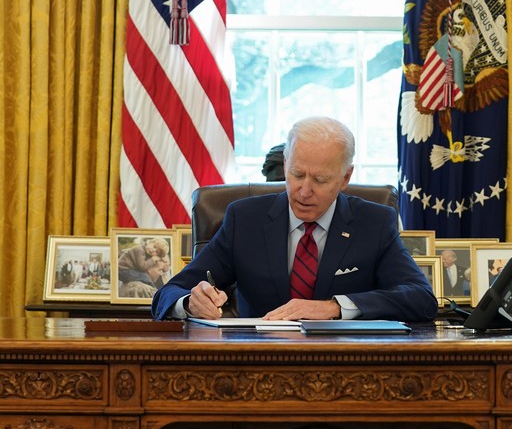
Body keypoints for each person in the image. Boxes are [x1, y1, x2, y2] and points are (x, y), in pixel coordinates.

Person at [151, 116, 438, 322]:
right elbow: (167, 294)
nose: (304, 190)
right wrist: (190, 302)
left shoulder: (373, 223)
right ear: (286, 163)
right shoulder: (244, 220)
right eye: (297, 174)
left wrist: (335, 307)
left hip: (345, 364)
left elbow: (421, 299)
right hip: (256, 364)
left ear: (345, 178)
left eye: (320, 180)